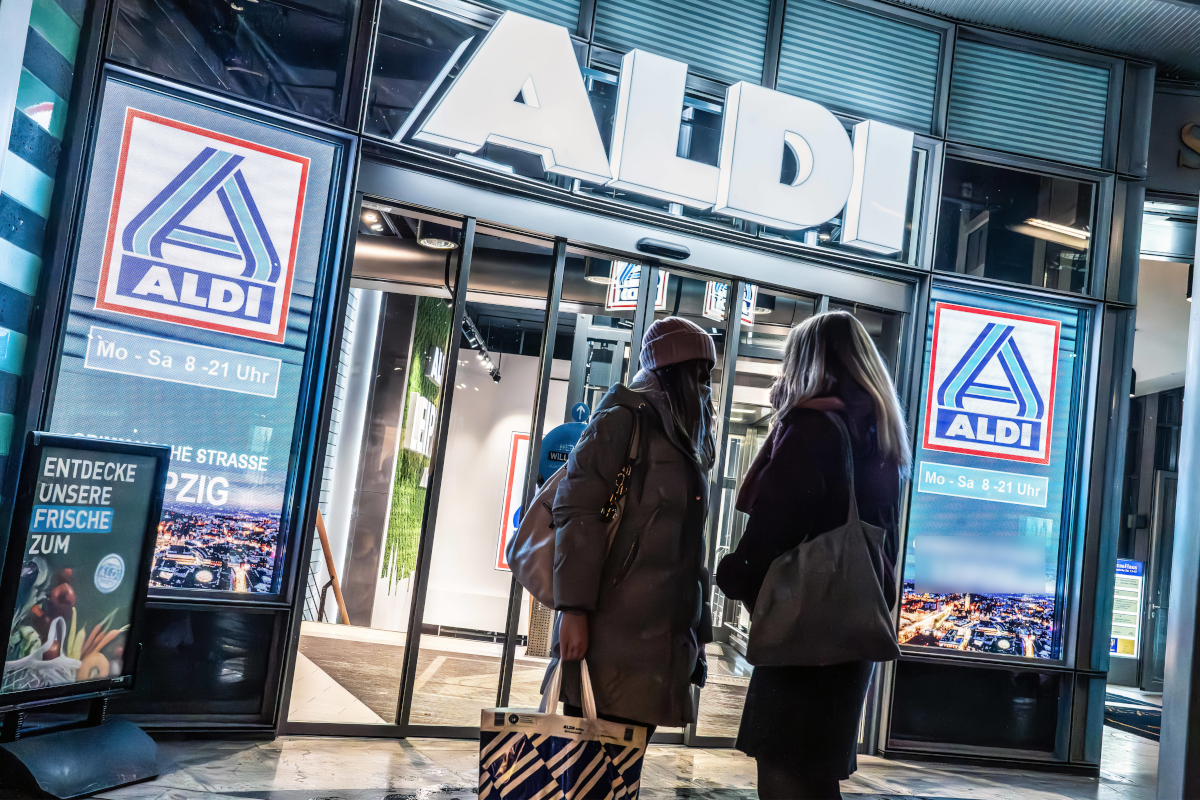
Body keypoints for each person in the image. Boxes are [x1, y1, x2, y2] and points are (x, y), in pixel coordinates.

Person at [716, 311, 910, 800]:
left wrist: (733, 575)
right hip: (852, 629)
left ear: (805, 363)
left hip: (802, 629)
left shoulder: (812, 430)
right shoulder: (881, 433)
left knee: (783, 772)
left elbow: (772, 531)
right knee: (818, 776)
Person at [546, 316, 717, 735]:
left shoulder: (680, 435)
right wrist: (573, 610)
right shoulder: (624, 417)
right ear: (673, 369)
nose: (706, 385)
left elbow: (688, 549)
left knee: (619, 779)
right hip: (610, 634)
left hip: (655, 642)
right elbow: (576, 513)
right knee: (588, 777)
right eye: (699, 372)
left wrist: (698, 634)